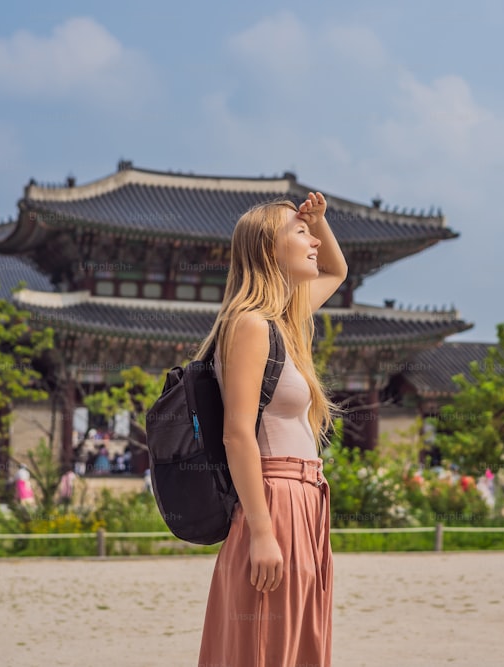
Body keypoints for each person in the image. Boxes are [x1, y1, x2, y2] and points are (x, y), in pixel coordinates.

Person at [198, 192, 347, 667]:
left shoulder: (282, 323)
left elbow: (337, 273)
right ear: (268, 249)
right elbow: (236, 433)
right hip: (274, 498)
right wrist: (262, 531)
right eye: (300, 234)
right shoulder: (250, 325)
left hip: (305, 500)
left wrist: (317, 220)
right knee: (265, 644)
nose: (314, 244)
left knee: (297, 642)